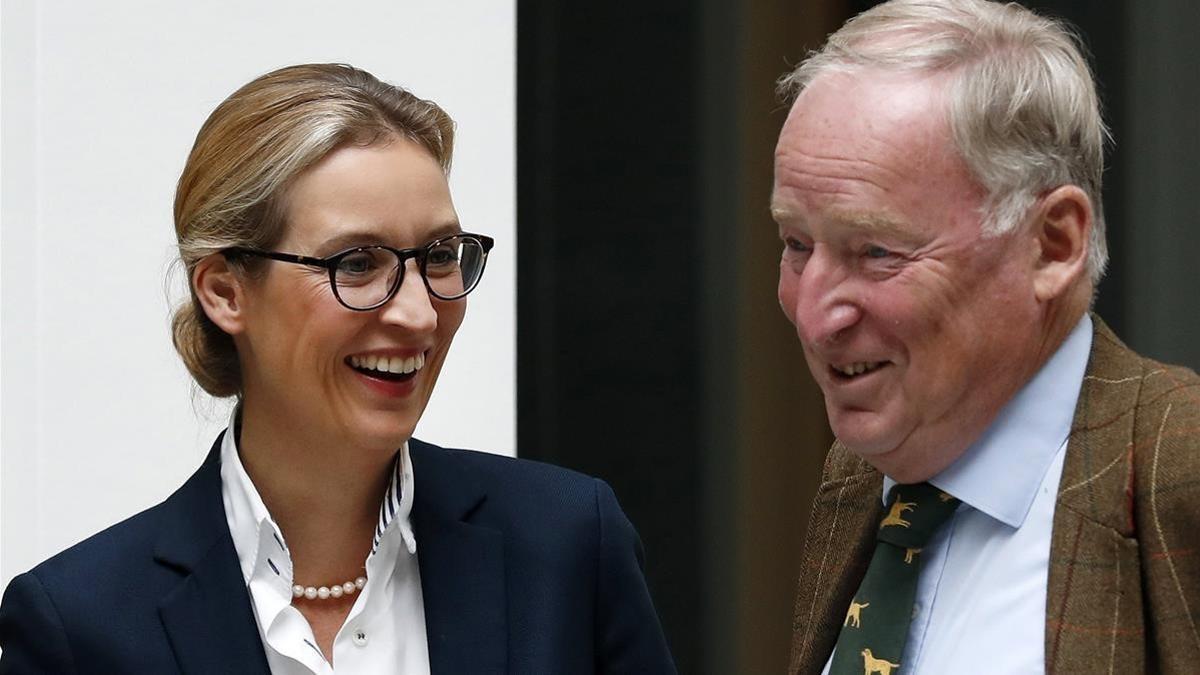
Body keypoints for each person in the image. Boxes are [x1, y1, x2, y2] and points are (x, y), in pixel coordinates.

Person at [0, 63, 675, 675]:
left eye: (439, 254)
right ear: (225, 291)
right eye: (356, 263)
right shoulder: (79, 626)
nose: (419, 314)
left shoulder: (566, 544)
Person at [772, 1, 1200, 673]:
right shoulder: (860, 482)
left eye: (878, 251)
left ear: (1052, 245)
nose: (815, 315)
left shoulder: (1179, 472)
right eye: (797, 243)